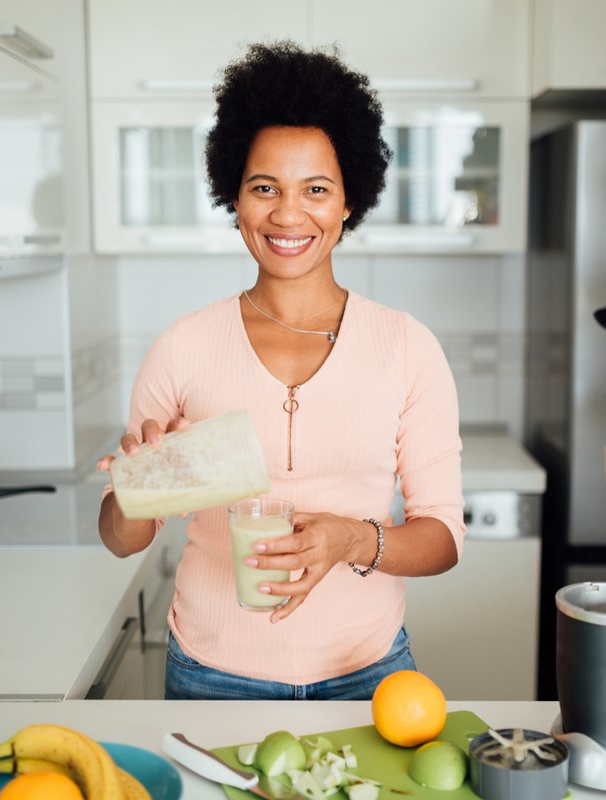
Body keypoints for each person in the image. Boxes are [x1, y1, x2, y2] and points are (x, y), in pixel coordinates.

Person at [97, 41, 465, 700]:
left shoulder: (405, 346)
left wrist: (352, 540)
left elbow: (442, 538)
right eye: (263, 187)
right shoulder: (184, 347)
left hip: (369, 673)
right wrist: (134, 487)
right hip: (211, 675)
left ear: (349, 200)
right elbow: (123, 538)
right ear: (234, 198)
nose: (288, 214)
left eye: (316, 189)